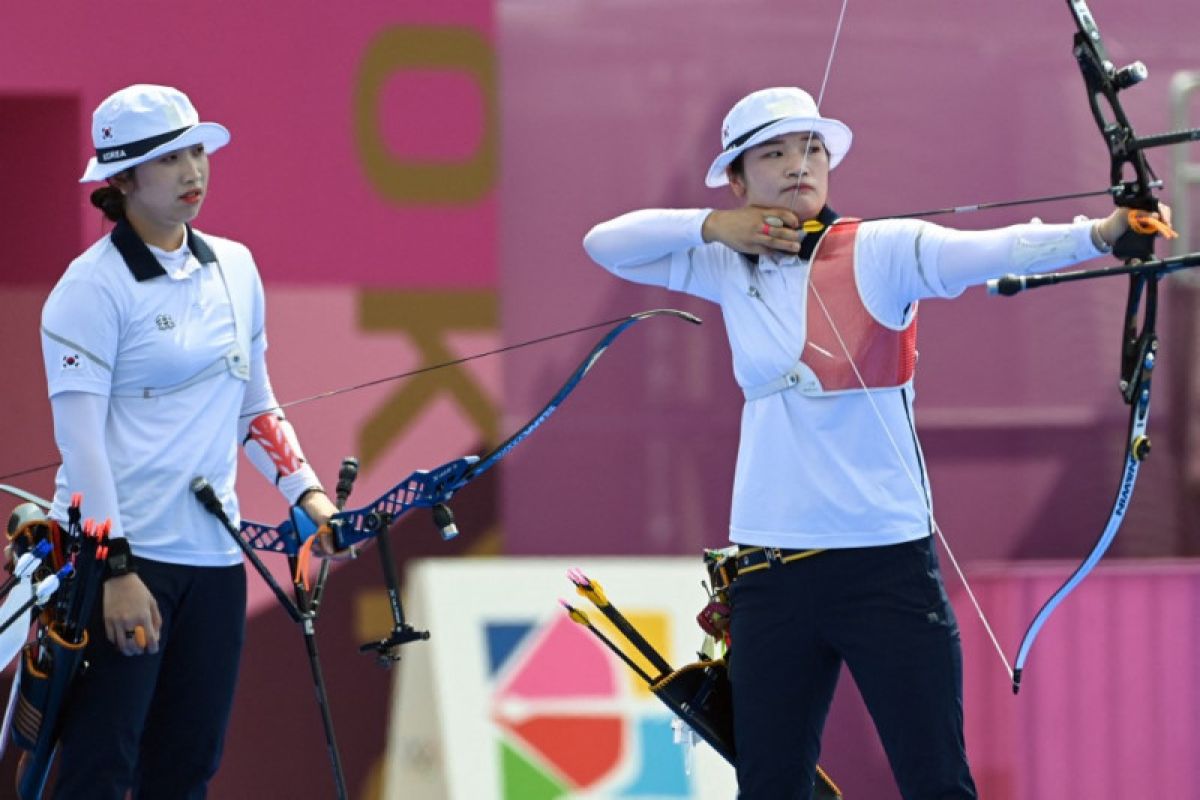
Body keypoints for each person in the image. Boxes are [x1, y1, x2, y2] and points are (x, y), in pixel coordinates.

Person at [583, 86, 1170, 799]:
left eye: (812, 149)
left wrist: (1104, 234)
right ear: (738, 179)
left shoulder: (882, 251)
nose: (799, 164)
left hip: (884, 570)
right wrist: (715, 227)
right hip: (770, 573)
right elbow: (604, 242)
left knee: (935, 784)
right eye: (773, 153)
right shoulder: (722, 264)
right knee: (769, 786)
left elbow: (991, 251)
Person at [38, 84, 339, 799]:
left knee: (187, 769)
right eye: (167, 158)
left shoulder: (235, 266)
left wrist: (311, 497)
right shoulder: (90, 289)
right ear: (123, 180)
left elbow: (253, 405)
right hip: (118, 563)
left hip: (212, 564)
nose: (191, 171)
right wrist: (112, 570)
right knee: (97, 771)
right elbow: (80, 448)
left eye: (196, 150)